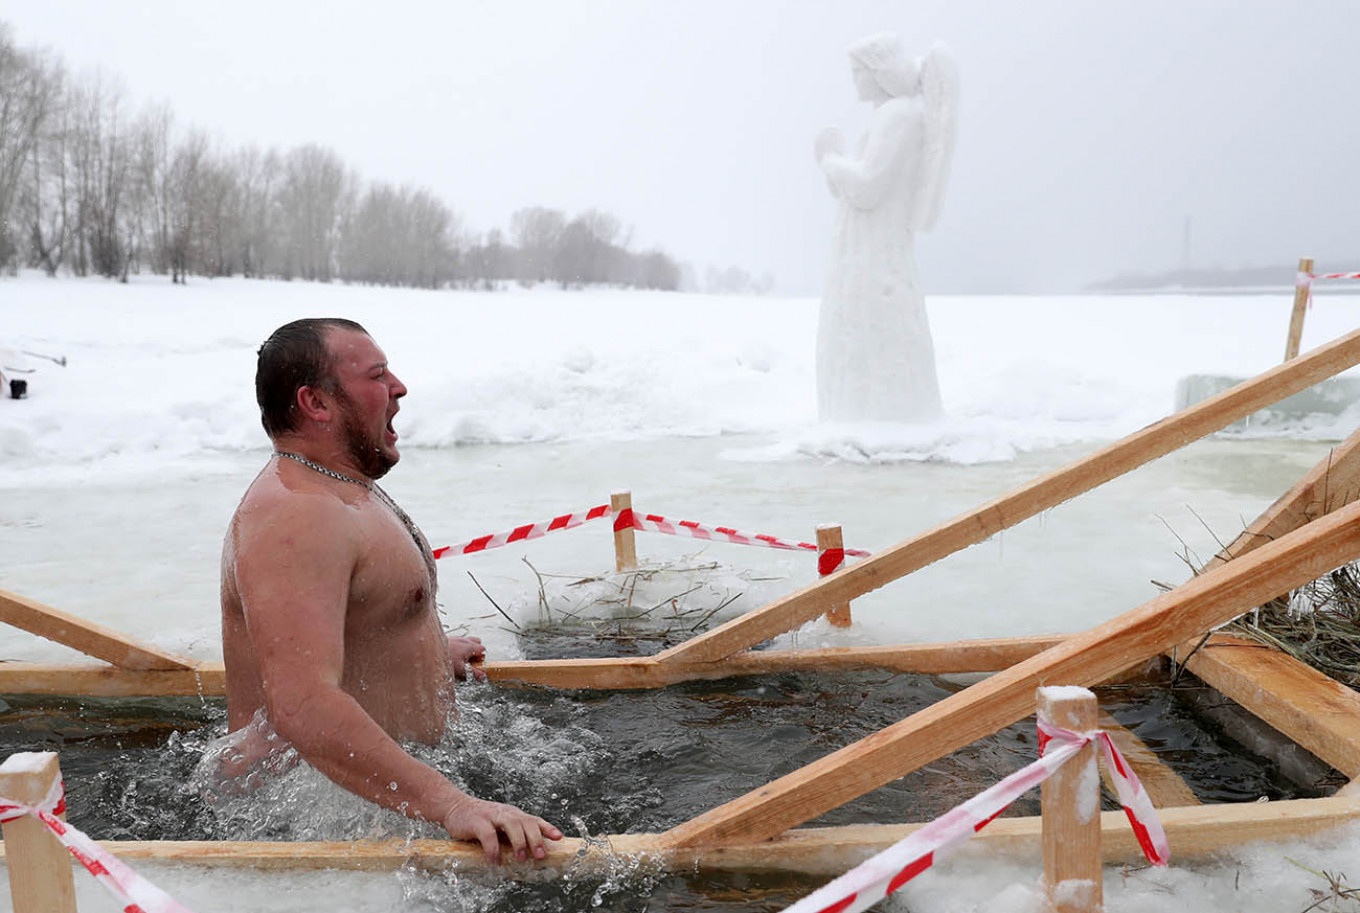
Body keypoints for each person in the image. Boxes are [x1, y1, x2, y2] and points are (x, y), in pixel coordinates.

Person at [218, 317, 562, 864]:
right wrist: (452, 804)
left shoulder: (338, 487)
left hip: (377, 795)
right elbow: (303, 705)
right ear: (316, 403)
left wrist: (420, 653)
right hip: (311, 824)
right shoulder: (296, 516)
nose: (398, 387)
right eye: (377, 375)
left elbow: (342, 618)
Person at [814, 34, 959, 424]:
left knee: (875, 324)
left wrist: (830, 161)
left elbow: (867, 187)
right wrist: (836, 162)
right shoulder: (888, 115)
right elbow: (858, 186)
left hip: (875, 244)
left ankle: (884, 418)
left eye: (857, 71)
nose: (854, 80)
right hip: (865, 242)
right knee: (862, 324)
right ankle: (860, 413)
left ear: (878, 72)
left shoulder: (899, 117)